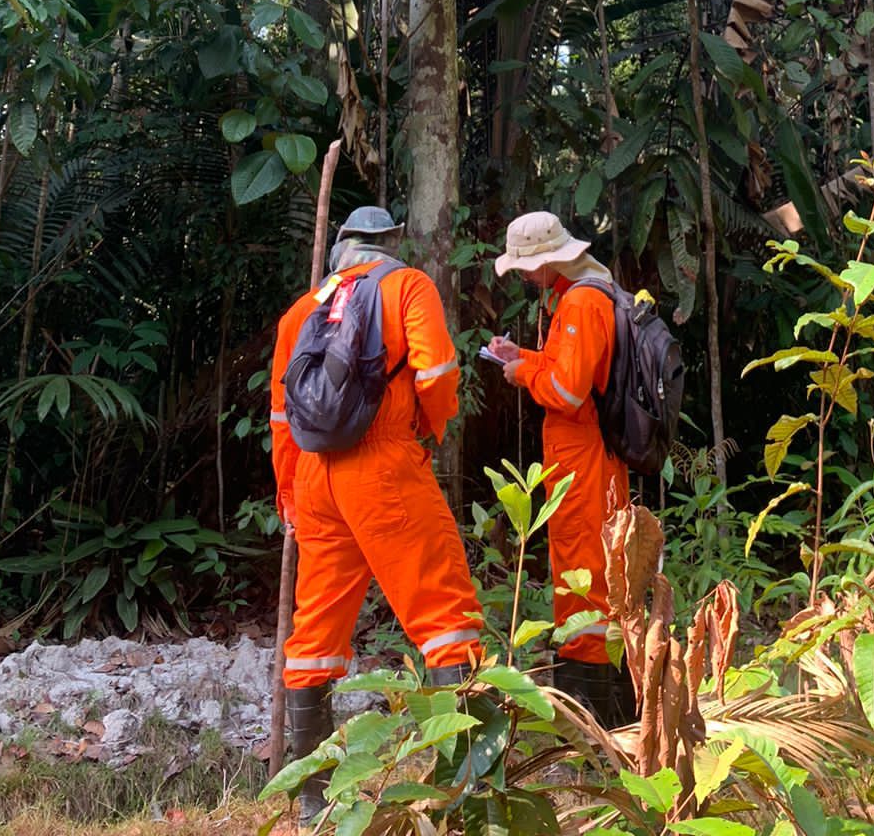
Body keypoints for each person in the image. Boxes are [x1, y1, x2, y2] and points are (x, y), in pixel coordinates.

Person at [269, 205, 482, 822]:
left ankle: (318, 806)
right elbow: (438, 370)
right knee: (445, 616)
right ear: (390, 243)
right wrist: (429, 427)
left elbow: (283, 417)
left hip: (314, 481)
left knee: (313, 637)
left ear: (340, 248)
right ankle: (463, 790)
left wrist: (288, 493)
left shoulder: (300, 312)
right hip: (384, 464)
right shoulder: (407, 285)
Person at [487, 210, 633, 727]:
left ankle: (595, 714)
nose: (524, 277)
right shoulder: (588, 293)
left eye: (526, 268)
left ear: (549, 261)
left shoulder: (581, 302)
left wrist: (521, 371)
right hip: (588, 452)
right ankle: (608, 704)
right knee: (594, 567)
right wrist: (522, 354)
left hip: (583, 455)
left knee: (584, 574)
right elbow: (574, 370)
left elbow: (568, 393)